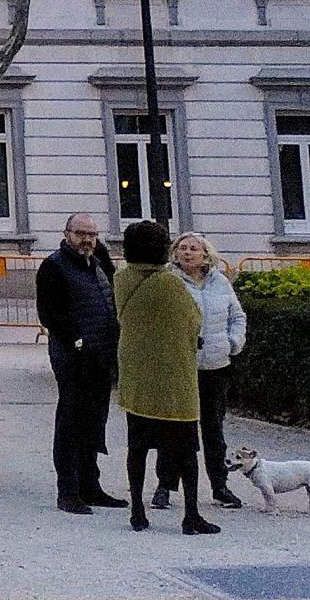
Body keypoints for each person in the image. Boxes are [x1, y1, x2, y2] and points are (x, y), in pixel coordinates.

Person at [114, 220, 218, 535]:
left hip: (137, 376)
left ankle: (137, 510)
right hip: (173, 380)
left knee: (137, 447)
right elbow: (193, 320)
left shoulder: (122, 278)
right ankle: (191, 515)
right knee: (186, 452)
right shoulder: (169, 284)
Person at [35, 211, 125, 514]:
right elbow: (49, 314)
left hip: (102, 354)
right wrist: (77, 341)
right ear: (67, 234)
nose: (87, 239)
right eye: (80, 233)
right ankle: (68, 490)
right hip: (72, 357)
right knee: (71, 422)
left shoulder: (99, 262)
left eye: (92, 234)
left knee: (95, 421)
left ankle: (90, 485)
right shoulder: (53, 266)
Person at [152, 232, 247, 511]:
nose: (188, 253)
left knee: (213, 429)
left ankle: (220, 486)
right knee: (175, 428)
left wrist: (233, 342)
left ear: (205, 254)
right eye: (182, 248)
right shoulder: (169, 281)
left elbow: (237, 315)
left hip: (216, 365)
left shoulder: (220, 282)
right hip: (182, 366)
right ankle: (165, 486)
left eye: (194, 249)